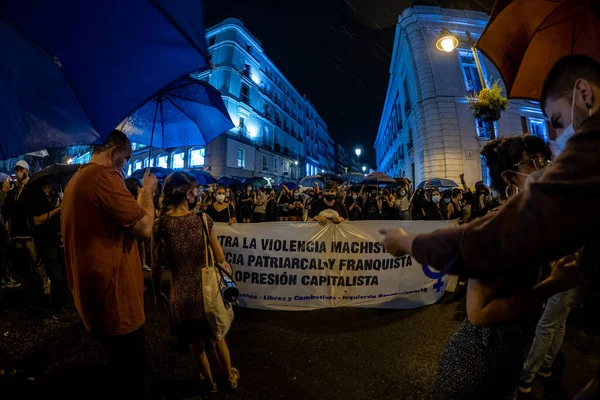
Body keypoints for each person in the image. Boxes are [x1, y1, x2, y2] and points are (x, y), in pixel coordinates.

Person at [430, 135, 575, 399]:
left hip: (513, 353)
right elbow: (478, 313)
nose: (546, 167)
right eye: (534, 162)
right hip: (478, 363)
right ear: (509, 178)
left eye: (546, 159)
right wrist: (552, 285)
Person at [61, 130, 157, 398]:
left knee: (121, 371)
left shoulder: (78, 178)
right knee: (134, 378)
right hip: (114, 299)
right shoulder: (103, 178)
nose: (125, 166)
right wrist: (147, 192)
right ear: (114, 152)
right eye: (126, 159)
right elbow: (144, 226)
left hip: (94, 295)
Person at [152, 172, 239, 393]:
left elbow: (155, 266)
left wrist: (156, 294)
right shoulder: (203, 220)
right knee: (218, 337)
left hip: (180, 293)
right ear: (188, 192)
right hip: (206, 291)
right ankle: (229, 377)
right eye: (195, 189)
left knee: (195, 344)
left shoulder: (160, 224)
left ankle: (209, 383)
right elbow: (220, 259)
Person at [2, 160, 49, 300]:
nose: (18, 173)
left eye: (20, 170)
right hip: (17, 233)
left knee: (37, 261)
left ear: (26, 171)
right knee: (23, 261)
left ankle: (46, 286)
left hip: (29, 233)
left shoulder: (31, 188)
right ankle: (32, 286)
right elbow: (8, 209)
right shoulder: (15, 190)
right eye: (17, 170)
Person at [29, 176, 68, 315]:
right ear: (48, 183)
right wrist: (57, 209)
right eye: (52, 181)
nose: (55, 183)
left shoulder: (49, 197)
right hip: (47, 242)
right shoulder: (37, 198)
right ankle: (58, 304)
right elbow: (37, 220)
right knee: (55, 273)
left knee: (58, 271)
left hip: (54, 240)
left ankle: (59, 301)